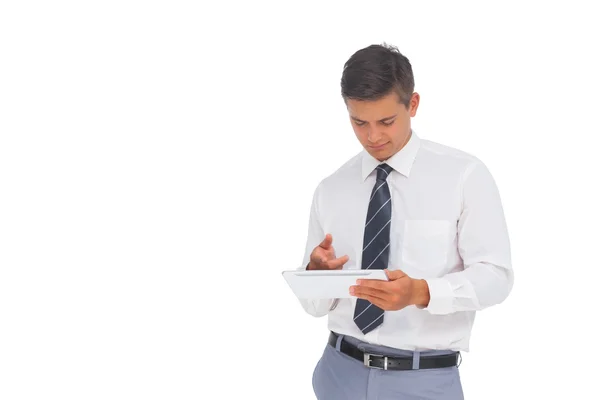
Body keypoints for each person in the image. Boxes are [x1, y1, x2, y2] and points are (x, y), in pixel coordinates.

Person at [296, 43, 513, 400]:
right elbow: (314, 306)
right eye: (359, 122)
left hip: (422, 380)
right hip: (338, 372)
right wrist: (316, 276)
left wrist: (422, 292)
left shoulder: (464, 176)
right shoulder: (331, 188)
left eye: (386, 121)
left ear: (412, 105)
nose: (373, 136)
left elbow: (496, 277)